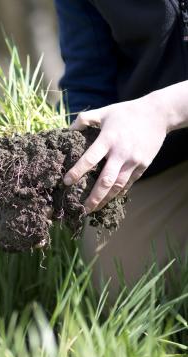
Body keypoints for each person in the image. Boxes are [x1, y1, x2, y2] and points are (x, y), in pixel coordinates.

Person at [54, 0, 188, 292]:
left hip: (163, 115)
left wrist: (162, 110)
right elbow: (88, 78)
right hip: (166, 153)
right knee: (119, 285)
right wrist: (73, 155)